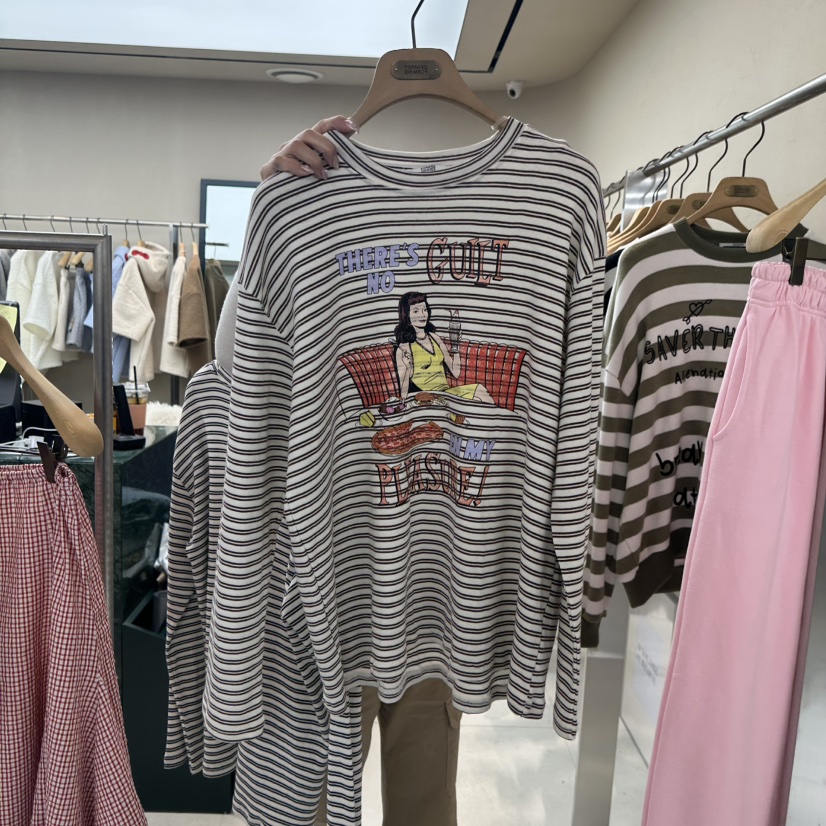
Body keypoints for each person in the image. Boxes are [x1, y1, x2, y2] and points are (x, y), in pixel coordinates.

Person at [262, 118, 462, 826]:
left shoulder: (505, 212)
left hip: (432, 583)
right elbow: (248, 382)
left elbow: (451, 382)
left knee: (423, 796)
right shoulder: (299, 213)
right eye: (417, 309)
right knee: (310, 796)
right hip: (329, 585)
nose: (422, 313)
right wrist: (276, 212)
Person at [394, 290, 494, 403]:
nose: (422, 314)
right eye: (416, 311)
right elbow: (404, 394)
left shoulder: (434, 338)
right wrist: (407, 367)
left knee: (479, 391)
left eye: (425, 310)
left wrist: (455, 344)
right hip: (428, 400)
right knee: (478, 396)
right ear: (406, 315)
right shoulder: (404, 348)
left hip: (446, 395)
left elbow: (455, 372)